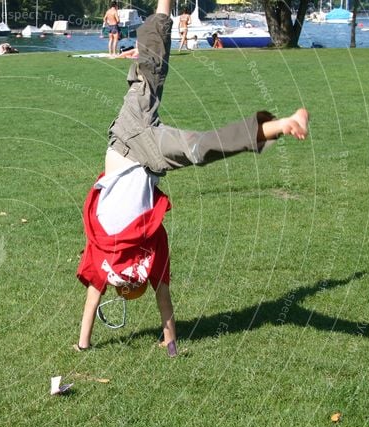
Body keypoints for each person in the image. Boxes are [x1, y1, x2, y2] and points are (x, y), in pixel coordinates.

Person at [75, 0, 309, 356]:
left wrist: (170, 341)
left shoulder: (144, 250)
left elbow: (162, 301)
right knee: (150, 63)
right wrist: (83, 344)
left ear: (131, 283)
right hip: (125, 133)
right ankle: (165, 6)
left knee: (199, 147)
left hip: (142, 150)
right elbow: (94, 304)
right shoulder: (105, 252)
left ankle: (274, 127)